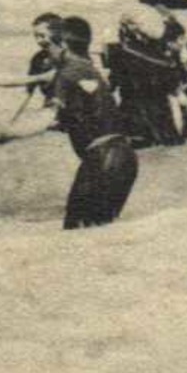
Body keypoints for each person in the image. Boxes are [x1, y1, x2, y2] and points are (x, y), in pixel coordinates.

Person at [46, 16, 140, 229]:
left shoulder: (66, 72)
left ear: (61, 45)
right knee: (99, 235)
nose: (46, 53)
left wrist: (3, 133)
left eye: (47, 46)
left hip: (101, 159)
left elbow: (47, 117)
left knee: (74, 234)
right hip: (126, 159)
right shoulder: (91, 68)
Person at [106, 6, 187, 148]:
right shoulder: (160, 56)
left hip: (135, 118)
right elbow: (172, 85)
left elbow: (113, 84)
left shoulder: (122, 52)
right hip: (161, 119)